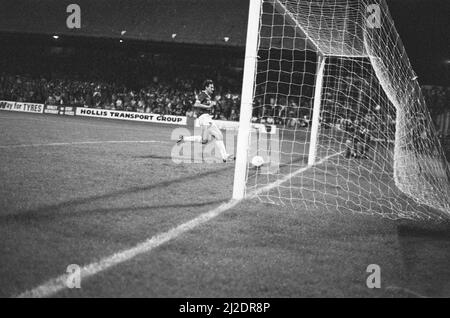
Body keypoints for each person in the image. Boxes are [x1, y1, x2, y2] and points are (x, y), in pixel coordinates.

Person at [177, 80, 234, 162]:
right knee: (208, 139)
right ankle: (225, 156)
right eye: (211, 87)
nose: (213, 89)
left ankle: (225, 156)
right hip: (204, 118)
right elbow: (196, 104)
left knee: (215, 137)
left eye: (213, 87)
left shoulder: (208, 96)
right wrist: (208, 107)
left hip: (207, 118)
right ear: (206, 87)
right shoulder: (202, 94)